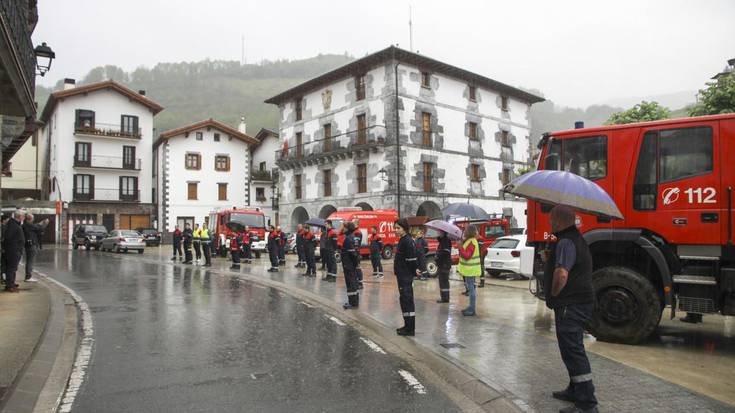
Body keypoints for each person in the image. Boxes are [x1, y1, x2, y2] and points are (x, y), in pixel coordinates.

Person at [543, 205, 598, 413]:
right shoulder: (575, 238)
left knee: (573, 351)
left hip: (570, 304)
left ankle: (586, 404)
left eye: (551, 220)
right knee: (571, 348)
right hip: (579, 302)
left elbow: (563, 274)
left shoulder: (566, 241)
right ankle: (575, 390)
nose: (549, 223)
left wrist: (555, 293)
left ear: (558, 221)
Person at [394, 219, 418, 335]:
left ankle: (410, 328)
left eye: (398, 228)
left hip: (405, 276)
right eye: (395, 228)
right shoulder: (403, 240)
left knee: (407, 301)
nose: (396, 230)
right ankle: (407, 325)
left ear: (404, 228)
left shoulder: (407, 241)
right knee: (404, 300)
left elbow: (411, 260)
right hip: (402, 275)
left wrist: (412, 272)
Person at [458, 225, 481, 316]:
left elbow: (467, 256)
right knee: (470, 289)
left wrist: (460, 247)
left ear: (470, 232)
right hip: (468, 270)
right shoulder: (468, 241)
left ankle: (472, 309)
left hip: (471, 270)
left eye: (466, 230)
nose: (464, 232)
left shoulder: (472, 242)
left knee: (471, 290)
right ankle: (470, 307)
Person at [3, 209, 26, 292]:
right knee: (11, 269)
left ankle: (11, 283)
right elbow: (8, 238)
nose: (24, 218)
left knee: (13, 268)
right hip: (12, 251)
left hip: (14, 250)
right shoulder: (13, 225)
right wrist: (16, 249)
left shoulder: (14, 224)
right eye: (23, 216)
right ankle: (10, 286)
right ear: (19, 216)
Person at [23, 214, 48, 282]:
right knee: (30, 261)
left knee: (29, 261)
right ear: (30, 219)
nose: (33, 220)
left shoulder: (25, 225)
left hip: (28, 245)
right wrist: (45, 224)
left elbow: (36, 226)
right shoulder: (29, 225)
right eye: (32, 218)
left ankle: (28, 276)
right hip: (31, 245)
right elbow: (40, 228)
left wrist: (40, 223)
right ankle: (28, 276)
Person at [340, 222, 360, 309]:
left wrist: (355, 264)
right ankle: (353, 301)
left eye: (344, 227)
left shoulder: (349, 239)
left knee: (351, 283)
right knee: (353, 283)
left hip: (349, 265)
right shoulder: (351, 237)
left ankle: (353, 303)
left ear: (347, 229)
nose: (342, 229)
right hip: (350, 265)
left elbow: (353, 254)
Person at [435, 229, 453, 303]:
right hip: (442, 264)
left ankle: (445, 298)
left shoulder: (446, 241)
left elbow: (445, 252)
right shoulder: (442, 240)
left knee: (444, 281)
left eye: (439, 232)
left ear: (443, 232)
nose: (437, 233)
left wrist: (438, 255)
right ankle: (444, 297)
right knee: (442, 281)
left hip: (444, 264)